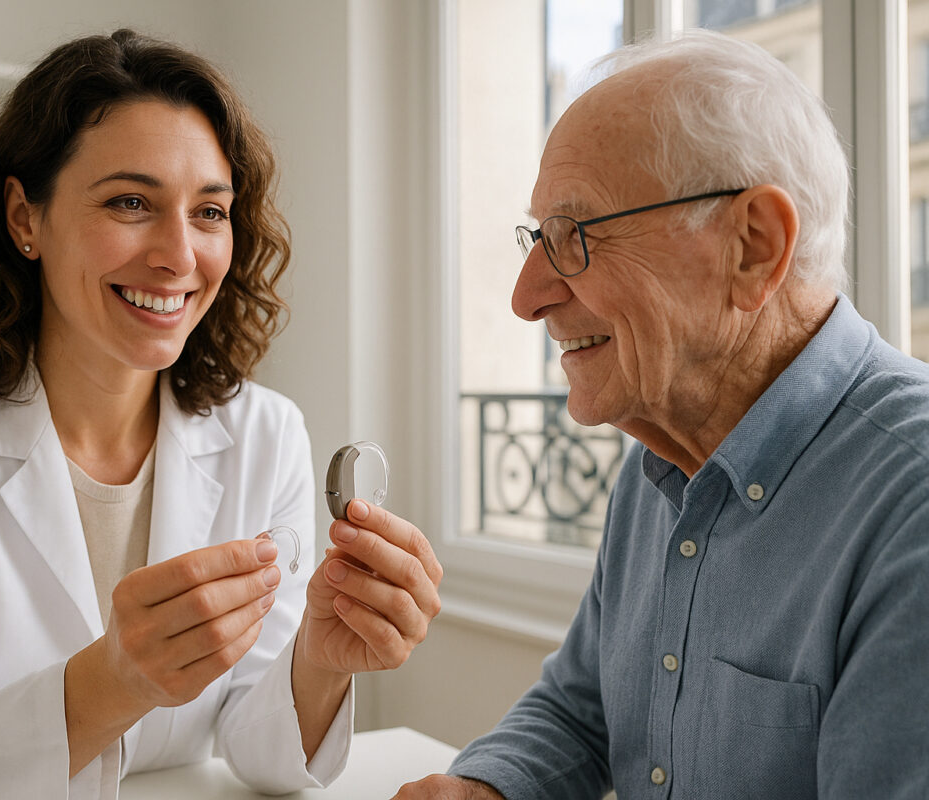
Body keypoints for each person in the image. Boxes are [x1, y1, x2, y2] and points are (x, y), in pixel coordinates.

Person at [0, 28, 442, 800]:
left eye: (209, 211)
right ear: (24, 219)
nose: (178, 255)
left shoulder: (264, 434)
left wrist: (323, 661)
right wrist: (113, 681)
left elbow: (256, 747)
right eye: (131, 202)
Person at [395, 28, 929, 800]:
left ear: (753, 246)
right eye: (537, 237)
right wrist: (488, 789)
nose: (526, 294)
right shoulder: (664, 459)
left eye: (574, 237)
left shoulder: (910, 499)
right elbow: (583, 712)